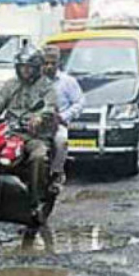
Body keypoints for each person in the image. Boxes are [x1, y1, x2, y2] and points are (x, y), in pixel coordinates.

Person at [0, 45, 57, 222]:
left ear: (37, 68)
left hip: (34, 136)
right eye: (22, 67)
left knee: (39, 156)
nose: (25, 71)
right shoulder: (10, 85)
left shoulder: (47, 87)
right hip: (10, 132)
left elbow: (50, 107)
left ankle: (36, 201)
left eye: (29, 67)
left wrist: (40, 117)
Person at [43, 46, 84, 184]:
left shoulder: (68, 82)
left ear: (58, 63)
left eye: (52, 63)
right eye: (46, 63)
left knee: (61, 141)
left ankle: (56, 172)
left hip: (57, 122)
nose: (49, 66)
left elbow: (79, 103)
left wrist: (63, 116)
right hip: (36, 123)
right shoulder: (35, 82)